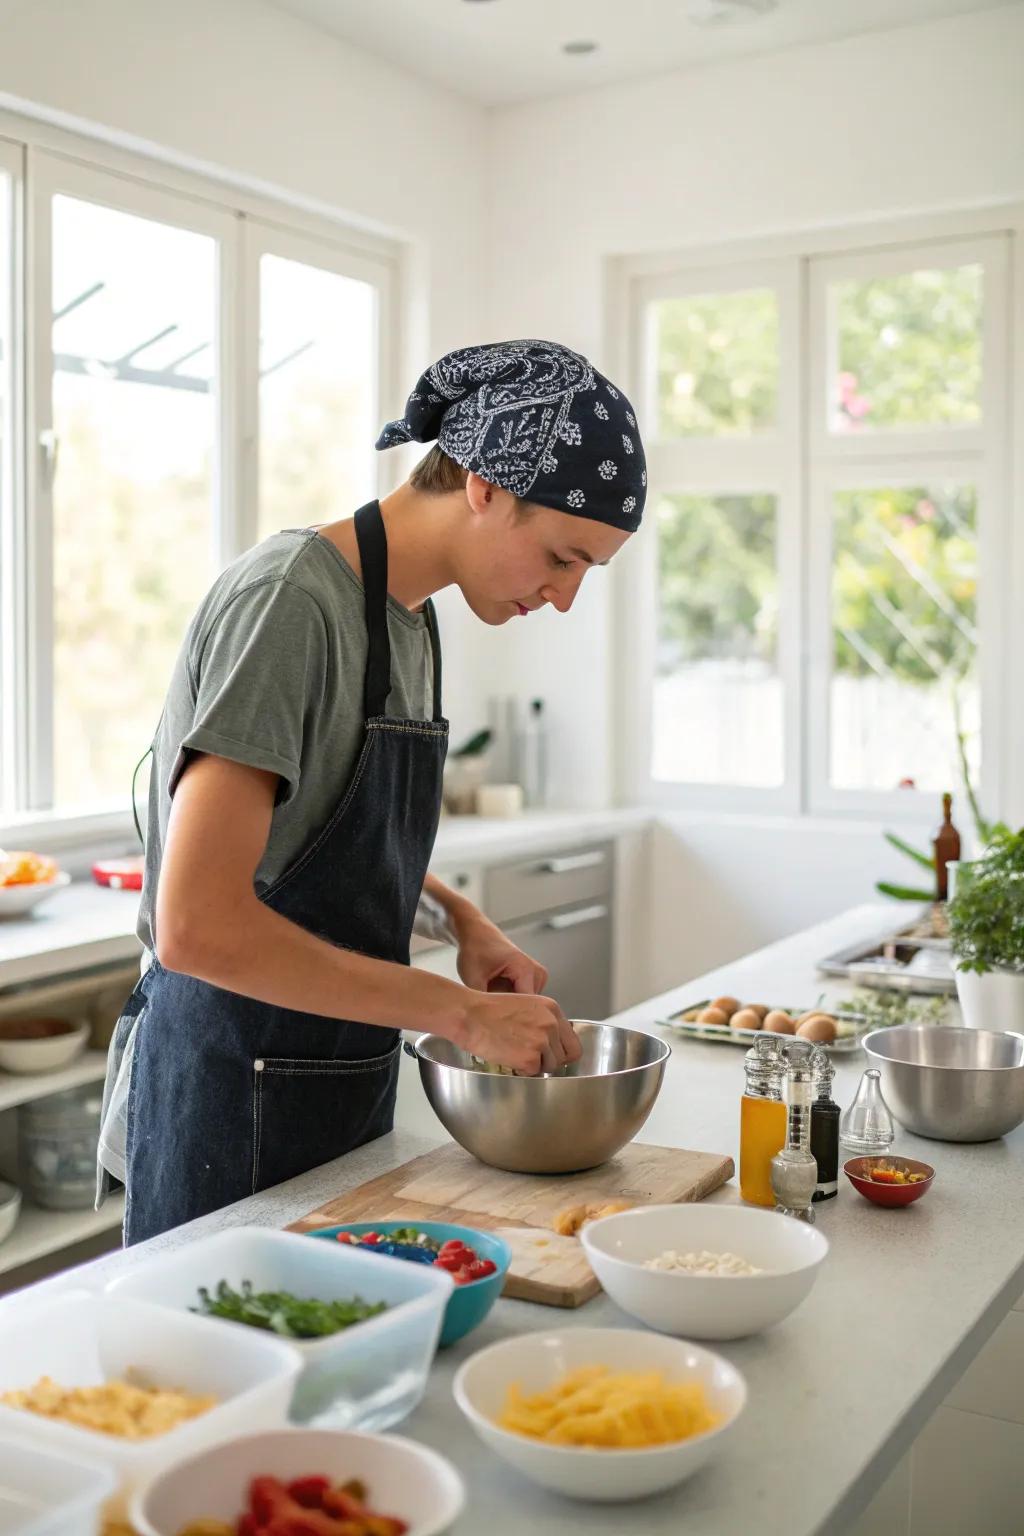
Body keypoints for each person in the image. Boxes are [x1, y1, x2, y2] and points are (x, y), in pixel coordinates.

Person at [95, 338, 647, 1245]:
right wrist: (463, 1013)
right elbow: (197, 923)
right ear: (485, 486)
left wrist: (457, 920)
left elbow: (308, 847)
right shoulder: (289, 604)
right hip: (228, 1101)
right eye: (563, 556)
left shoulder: (410, 620)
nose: (564, 597)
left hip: (337, 1091)